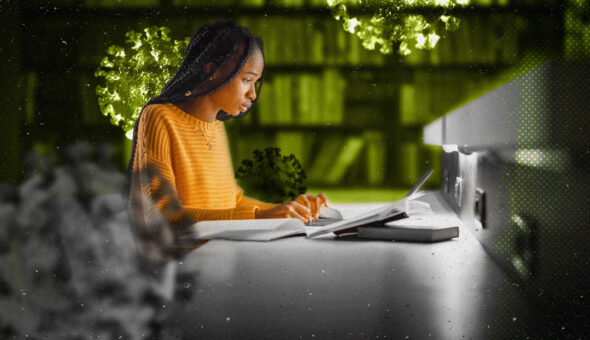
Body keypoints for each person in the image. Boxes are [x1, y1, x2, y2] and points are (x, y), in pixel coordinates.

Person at [128, 20, 329, 261]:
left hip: (222, 256)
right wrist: (259, 217)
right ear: (211, 71)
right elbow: (160, 215)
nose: (253, 95)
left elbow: (231, 202)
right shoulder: (159, 117)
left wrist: (290, 209)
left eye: (255, 83)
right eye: (246, 80)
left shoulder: (217, 126)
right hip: (184, 264)